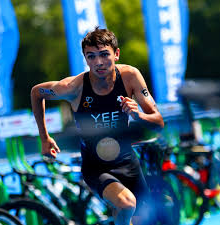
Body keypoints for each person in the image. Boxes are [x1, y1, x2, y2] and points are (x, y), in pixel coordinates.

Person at [31, 27, 164, 225]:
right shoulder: (73, 88)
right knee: (127, 204)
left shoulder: (130, 77)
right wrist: (45, 138)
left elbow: (159, 123)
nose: (98, 62)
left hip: (128, 162)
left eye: (104, 55)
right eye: (91, 56)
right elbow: (36, 92)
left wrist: (138, 115)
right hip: (96, 167)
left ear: (116, 54)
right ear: (85, 59)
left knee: (145, 218)